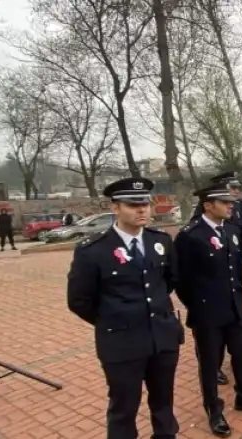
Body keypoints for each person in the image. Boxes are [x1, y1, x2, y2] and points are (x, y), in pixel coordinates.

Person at [66, 177, 184, 439]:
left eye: (145, 204)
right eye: (132, 205)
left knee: (164, 403)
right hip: (121, 343)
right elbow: (79, 300)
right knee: (124, 408)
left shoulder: (161, 241)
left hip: (162, 338)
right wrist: (114, 319)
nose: (141, 210)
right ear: (115, 208)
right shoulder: (93, 250)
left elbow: (169, 281)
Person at [175, 182, 242, 437]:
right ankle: (214, 410)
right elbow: (181, 280)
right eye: (224, 202)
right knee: (209, 364)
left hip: (235, 307)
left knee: (241, 355)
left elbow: (236, 268)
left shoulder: (231, 229)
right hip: (207, 313)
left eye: (231, 202)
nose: (231, 206)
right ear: (208, 205)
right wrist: (198, 306)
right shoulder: (190, 236)